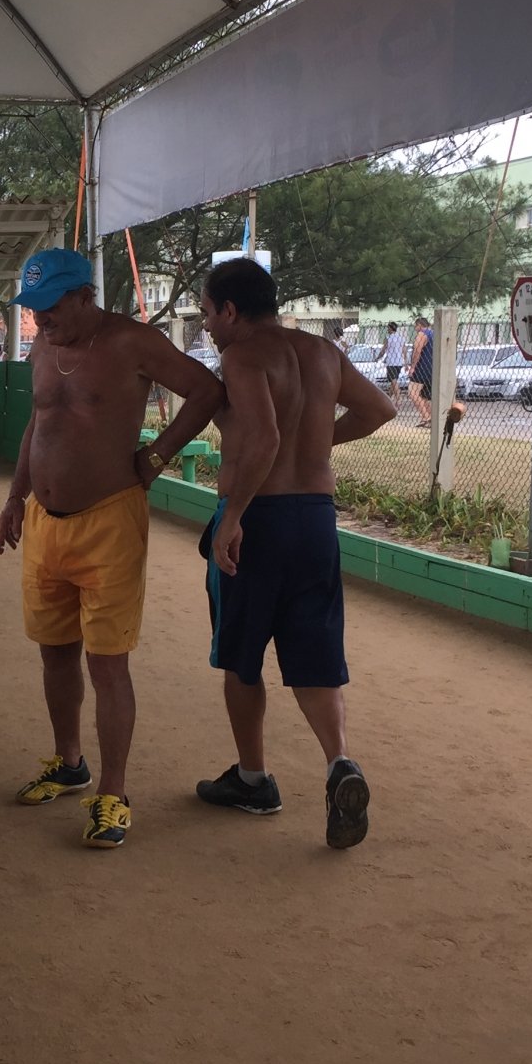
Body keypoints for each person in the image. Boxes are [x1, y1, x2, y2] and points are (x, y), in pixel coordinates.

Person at [0, 247, 224, 849]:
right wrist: (15, 497)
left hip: (109, 523)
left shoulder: (132, 342)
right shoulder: (45, 345)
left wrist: (155, 458)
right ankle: (69, 763)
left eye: (49, 307)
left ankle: (113, 794)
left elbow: (206, 391)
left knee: (107, 663)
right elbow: (37, 424)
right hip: (45, 522)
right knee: (54, 651)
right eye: (33, 309)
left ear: (84, 297)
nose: (40, 320)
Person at [191, 258, 394, 848]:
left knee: (241, 656)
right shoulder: (323, 352)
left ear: (230, 311)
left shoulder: (242, 356)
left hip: (259, 521)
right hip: (315, 522)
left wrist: (232, 516)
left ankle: (253, 779)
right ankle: (339, 764)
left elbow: (264, 438)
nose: (207, 328)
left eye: (207, 314)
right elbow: (379, 409)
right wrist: (319, 435)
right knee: (314, 654)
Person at [405, 315, 434, 426]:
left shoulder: (422, 335)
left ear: (420, 325)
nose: (415, 329)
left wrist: (413, 367)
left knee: (412, 392)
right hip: (432, 368)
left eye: (415, 326)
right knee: (424, 395)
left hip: (422, 367)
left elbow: (417, 351)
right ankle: (431, 417)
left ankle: (426, 417)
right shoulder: (434, 334)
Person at [380, 322, 407, 402]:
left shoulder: (388, 337)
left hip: (391, 362)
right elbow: (404, 350)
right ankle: (388, 397)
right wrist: (405, 362)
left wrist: (378, 357)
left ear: (391, 328)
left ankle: (399, 399)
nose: (387, 329)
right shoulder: (401, 338)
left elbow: (383, 349)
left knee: (393, 381)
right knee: (393, 380)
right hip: (399, 362)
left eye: (388, 328)